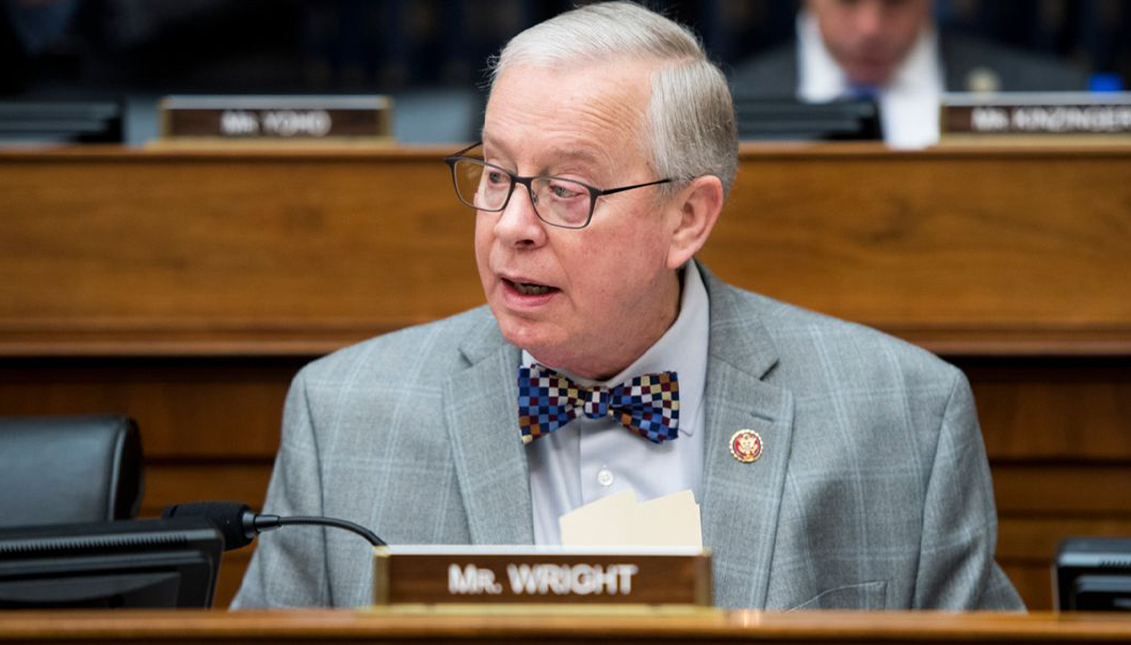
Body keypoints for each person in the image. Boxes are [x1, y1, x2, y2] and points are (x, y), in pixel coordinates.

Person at [233, 1, 1023, 611]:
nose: (510, 227)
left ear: (688, 217)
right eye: (497, 174)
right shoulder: (343, 418)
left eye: (565, 190)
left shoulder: (902, 417)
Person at [731, 0, 1088, 147]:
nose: (870, 26)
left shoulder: (1049, 95)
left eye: (895, 2)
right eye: (849, 1)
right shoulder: (727, 108)